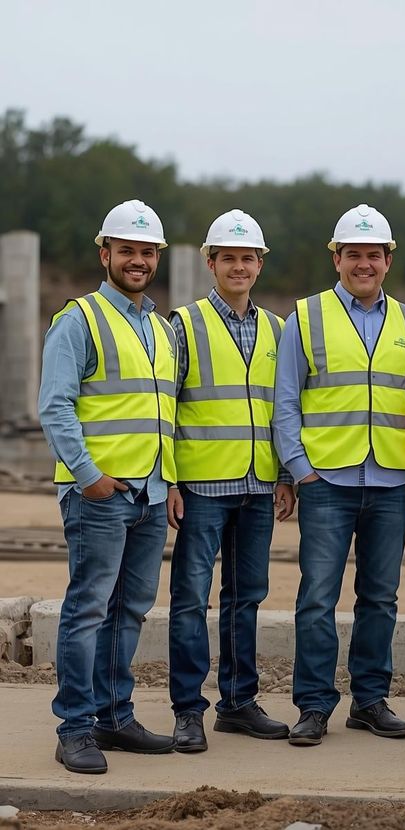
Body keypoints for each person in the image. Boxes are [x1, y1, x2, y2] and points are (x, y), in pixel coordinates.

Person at [39, 199, 177, 774]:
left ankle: (114, 717)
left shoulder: (161, 327)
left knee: (129, 612)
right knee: (88, 610)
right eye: (128, 251)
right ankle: (74, 727)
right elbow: (55, 405)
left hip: (148, 493)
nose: (138, 260)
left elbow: (161, 413)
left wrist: (167, 481)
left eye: (147, 252)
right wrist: (89, 477)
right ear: (107, 254)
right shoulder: (81, 319)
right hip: (101, 495)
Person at [274, 204, 405, 746]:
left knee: (380, 598)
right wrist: (300, 470)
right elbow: (285, 400)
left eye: (373, 255)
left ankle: (370, 701)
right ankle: (313, 706)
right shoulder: (305, 317)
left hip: (390, 480)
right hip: (327, 482)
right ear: (337, 259)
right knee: (317, 598)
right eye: (353, 254)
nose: (364, 263)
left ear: (387, 261)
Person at [166, 209, 294, 753]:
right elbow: (162, 409)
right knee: (191, 599)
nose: (238, 267)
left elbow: (283, 408)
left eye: (248, 258)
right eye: (228, 259)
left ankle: (238, 704)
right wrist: (169, 479)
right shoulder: (184, 324)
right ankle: (188, 711)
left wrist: (286, 473)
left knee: (246, 598)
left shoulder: (277, 329)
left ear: (259, 264)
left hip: (258, 487)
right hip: (201, 488)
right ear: (210, 263)